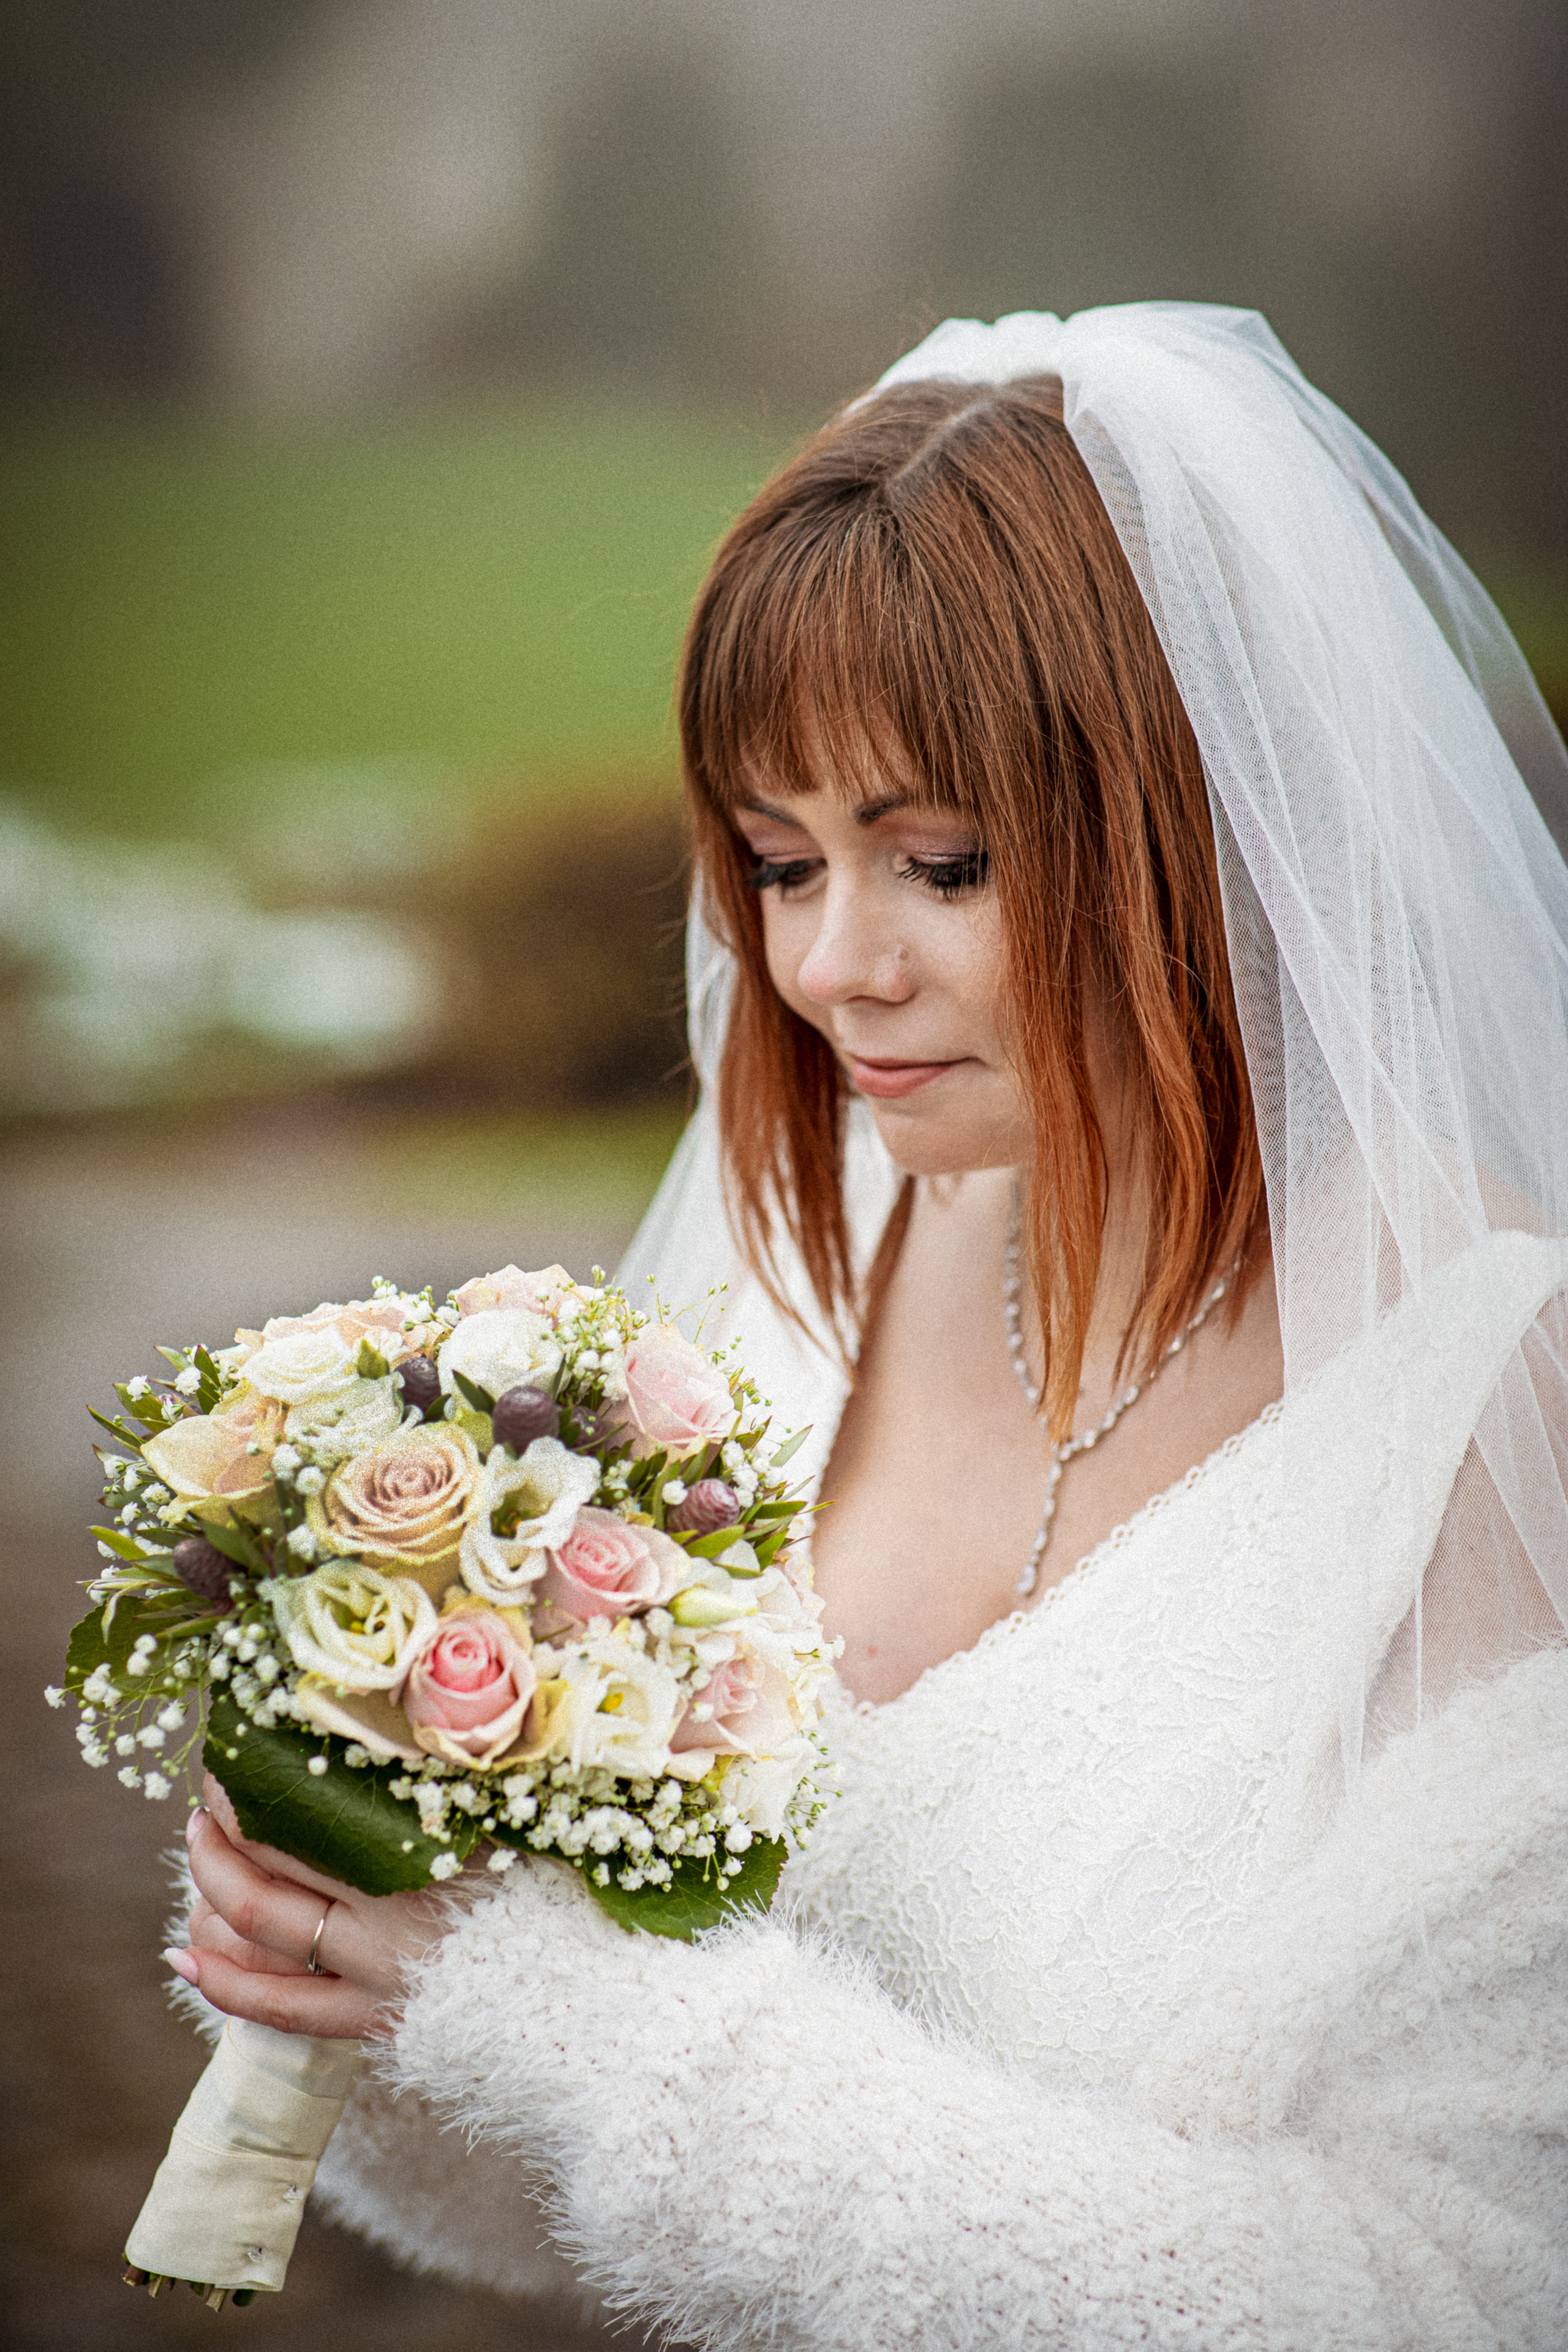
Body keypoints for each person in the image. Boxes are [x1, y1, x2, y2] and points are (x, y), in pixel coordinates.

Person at [172, 306, 1568, 2349]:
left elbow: (1459, 2291)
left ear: (1205, 815)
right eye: (776, 859)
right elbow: (536, 2221)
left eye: (945, 861)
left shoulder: (1500, 1387)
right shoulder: (801, 1264)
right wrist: (359, 1958)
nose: (830, 967)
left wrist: (581, 2016)